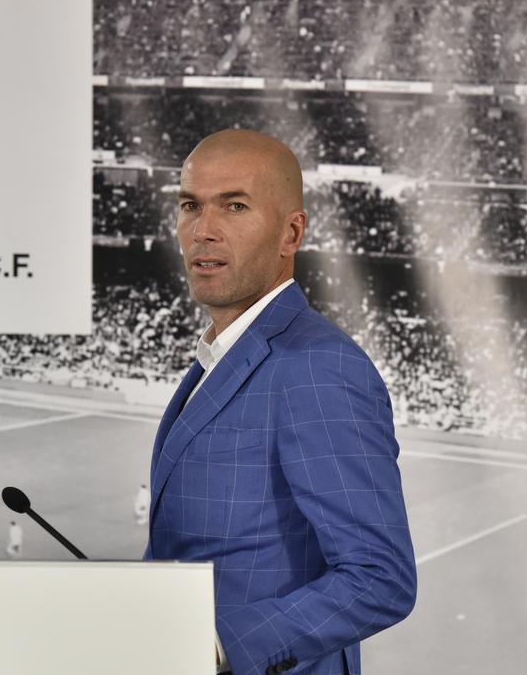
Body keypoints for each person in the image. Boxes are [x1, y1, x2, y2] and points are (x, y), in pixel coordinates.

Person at [144, 130, 416, 675]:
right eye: (190, 205)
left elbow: (380, 577)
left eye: (234, 206)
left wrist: (222, 645)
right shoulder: (221, 356)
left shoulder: (316, 366)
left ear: (291, 232)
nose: (203, 230)